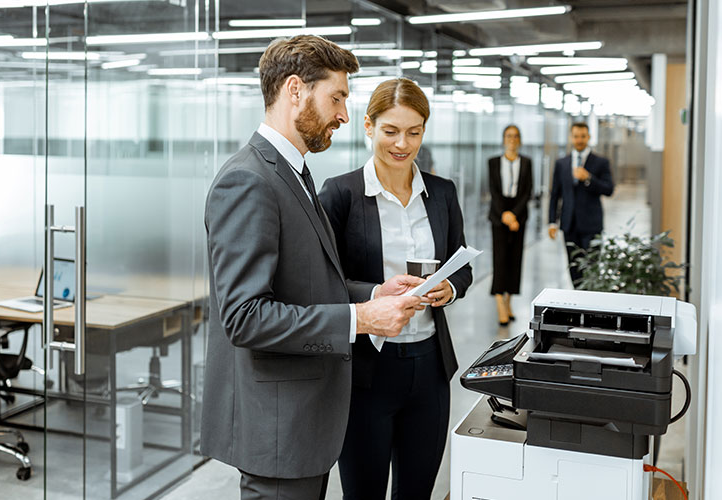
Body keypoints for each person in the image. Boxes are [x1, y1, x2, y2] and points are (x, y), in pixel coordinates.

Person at [201, 36, 427, 500]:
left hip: (305, 427)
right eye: (337, 97)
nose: (345, 115)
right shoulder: (249, 180)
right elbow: (245, 318)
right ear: (295, 91)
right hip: (279, 432)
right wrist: (361, 320)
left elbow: (307, 282)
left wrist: (372, 295)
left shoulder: (295, 173)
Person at [319, 78, 473, 500]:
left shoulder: (442, 194)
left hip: (430, 369)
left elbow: (461, 268)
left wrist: (450, 289)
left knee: (417, 492)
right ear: (368, 126)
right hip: (367, 372)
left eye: (414, 132)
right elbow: (321, 282)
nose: (402, 143)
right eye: (390, 131)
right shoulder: (341, 194)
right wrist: (374, 294)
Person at [548, 122, 615, 286]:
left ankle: (589, 306)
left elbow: (609, 189)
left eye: (583, 136)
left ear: (589, 137)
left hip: (591, 225)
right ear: (571, 138)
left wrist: (589, 179)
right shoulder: (561, 163)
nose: (579, 140)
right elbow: (555, 194)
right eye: (576, 136)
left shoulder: (601, 162)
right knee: (574, 269)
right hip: (569, 225)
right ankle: (577, 305)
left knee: (591, 269)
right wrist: (552, 222)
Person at [488, 125, 533, 325]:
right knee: (500, 258)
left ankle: (509, 301)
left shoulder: (527, 162)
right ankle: (499, 302)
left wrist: (514, 215)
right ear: (503, 139)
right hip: (499, 214)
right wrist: (505, 214)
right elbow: (493, 190)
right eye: (508, 136)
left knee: (515, 259)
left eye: (516, 136)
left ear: (520, 140)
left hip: (519, 213)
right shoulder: (493, 162)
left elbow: (527, 192)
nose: (512, 139)